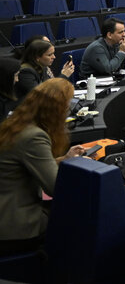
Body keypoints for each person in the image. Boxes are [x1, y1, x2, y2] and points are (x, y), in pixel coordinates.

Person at [0, 78, 88, 253]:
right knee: (82, 220)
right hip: (14, 225)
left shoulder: (15, 125)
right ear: (55, 109)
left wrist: (62, 159)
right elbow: (55, 187)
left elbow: (19, 168)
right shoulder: (34, 137)